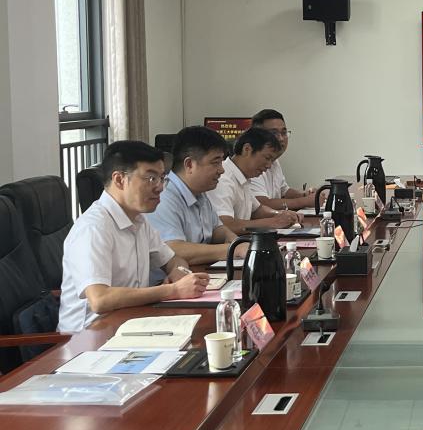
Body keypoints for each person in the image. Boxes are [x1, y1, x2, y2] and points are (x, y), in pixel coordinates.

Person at [58, 141, 210, 332]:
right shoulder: (93, 228)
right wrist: (172, 290)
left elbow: (173, 260)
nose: (160, 187)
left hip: (131, 322)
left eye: (162, 178)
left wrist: (178, 272)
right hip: (89, 336)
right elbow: (100, 299)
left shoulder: (138, 220)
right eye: (151, 178)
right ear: (119, 180)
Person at [146, 126, 241, 266]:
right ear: (189, 164)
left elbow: (216, 229)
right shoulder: (163, 197)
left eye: (221, 162)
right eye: (215, 163)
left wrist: (236, 241)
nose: (221, 170)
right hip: (170, 278)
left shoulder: (199, 192)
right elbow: (173, 250)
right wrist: (233, 250)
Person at [208, 127, 302, 234]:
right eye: (267, 158)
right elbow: (225, 224)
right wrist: (273, 222)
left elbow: (257, 210)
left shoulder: (243, 176)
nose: (269, 165)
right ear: (247, 149)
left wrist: (280, 214)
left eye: (272, 160)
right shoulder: (223, 179)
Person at [249, 109, 318, 211]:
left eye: (284, 132)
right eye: (274, 133)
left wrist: (305, 194)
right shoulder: (253, 164)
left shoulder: (274, 161)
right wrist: (306, 201)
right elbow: (261, 204)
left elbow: (284, 191)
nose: (281, 138)